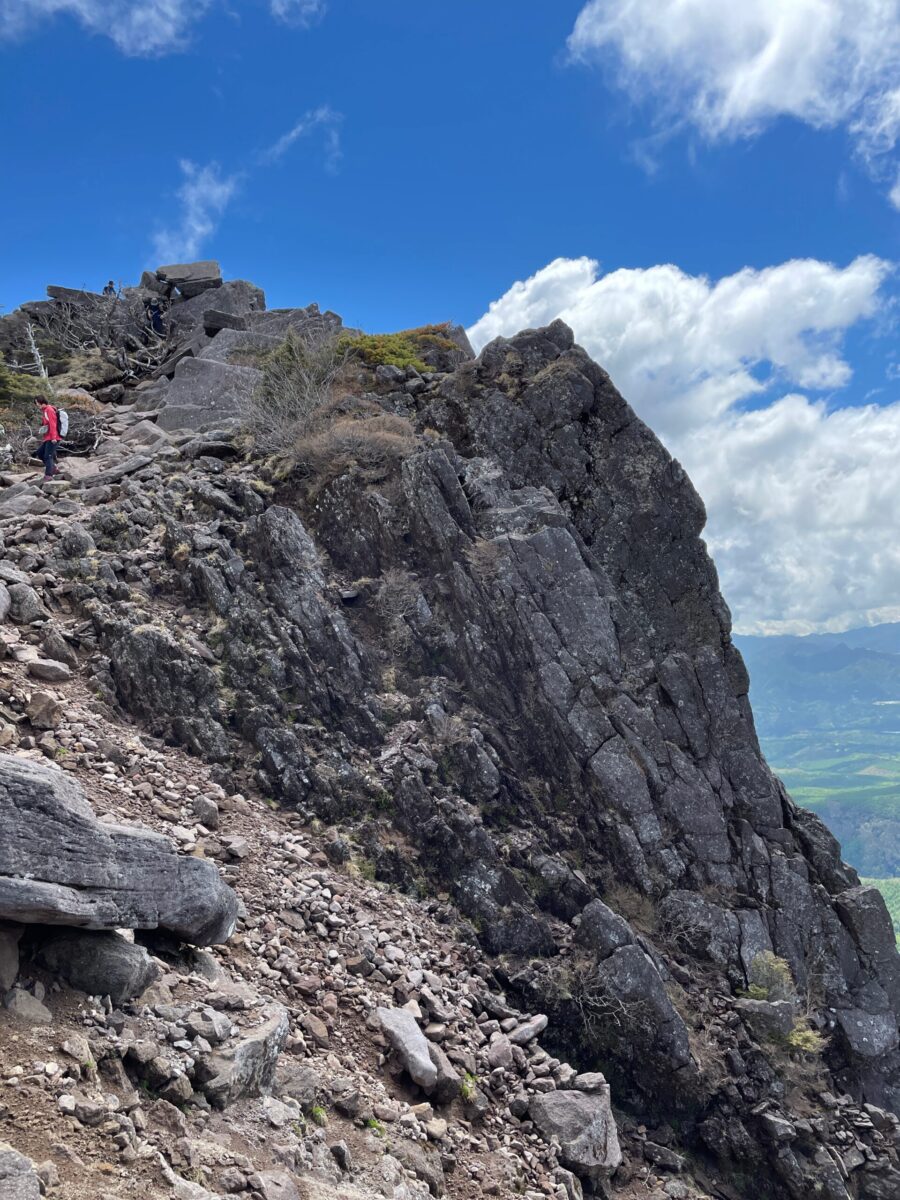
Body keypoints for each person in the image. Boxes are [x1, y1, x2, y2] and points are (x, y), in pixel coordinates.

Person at [34, 395, 60, 481]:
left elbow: (53, 424)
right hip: (48, 437)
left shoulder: (49, 410)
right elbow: (48, 425)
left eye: (37, 402)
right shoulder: (45, 410)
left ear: (41, 402)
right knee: (40, 453)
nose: (36, 404)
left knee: (47, 456)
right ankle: (53, 468)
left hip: (53, 437)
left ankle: (48, 475)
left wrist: (53, 437)